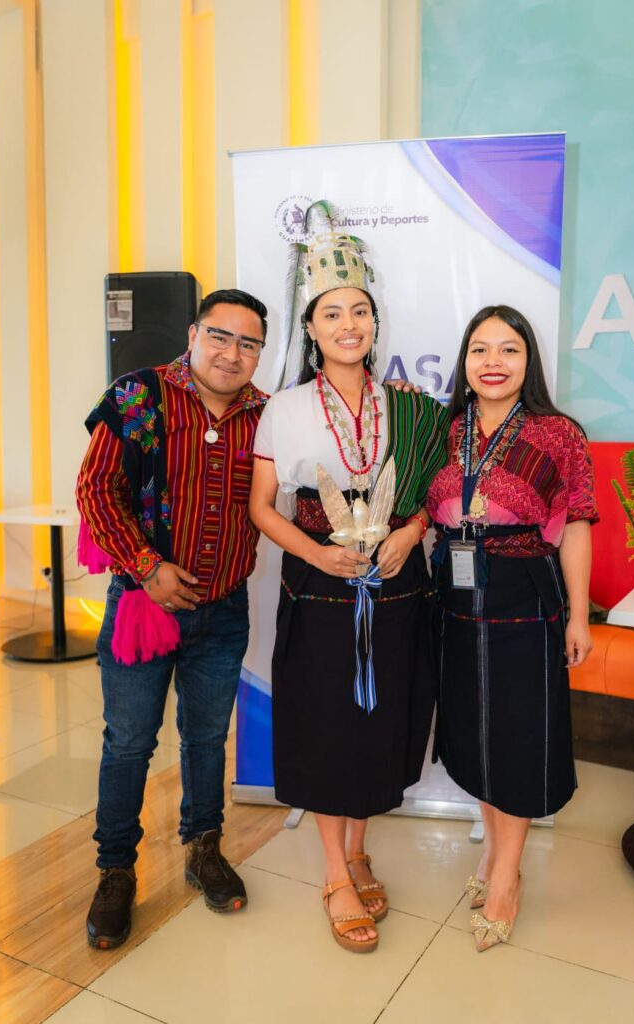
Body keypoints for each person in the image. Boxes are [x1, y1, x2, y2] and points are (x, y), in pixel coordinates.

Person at [249, 201, 450, 953]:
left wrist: (410, 532)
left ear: (374, 321)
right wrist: (316, 555)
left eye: (359, 311)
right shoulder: (285, 408)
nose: (348, 324)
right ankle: (335, 872)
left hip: (396, 585)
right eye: (331, 313)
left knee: (379, 722)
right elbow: (262, 508)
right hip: (321, 587)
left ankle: (359, 849)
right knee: (328, 727)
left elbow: (430, 496)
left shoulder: (410, 407)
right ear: (310, 327)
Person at [76, 288, 269, 949]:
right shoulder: (139, 396)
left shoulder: (265, 416)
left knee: (206, 739)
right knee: (129, 742)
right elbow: (96, 490)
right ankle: (115, 871)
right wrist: (146, 566)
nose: (232, 353)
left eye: (248, 343)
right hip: (142, 608)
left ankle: (202, 848)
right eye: (220, 336)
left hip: (224, 611)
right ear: (193, 334)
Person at [426, 304, 597, 952]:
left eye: (508, 349)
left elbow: (575, 525)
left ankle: (506, 875)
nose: (492, 362)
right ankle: (492, 847)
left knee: (518, 734)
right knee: (474, 728)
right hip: (454, 591)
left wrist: (579, 614)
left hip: (524, 590)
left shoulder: (558, 433)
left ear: (529, 360)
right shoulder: (447, 429)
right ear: (464, 361)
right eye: (480, 349)